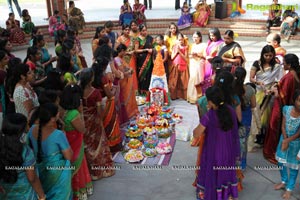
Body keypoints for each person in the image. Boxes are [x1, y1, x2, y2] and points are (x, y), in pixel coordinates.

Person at [193, 85, 240, 200]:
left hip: (214, 153)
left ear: (210, 101)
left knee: (212, 176)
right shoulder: (231, 111)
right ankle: (225, 196)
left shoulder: (209, 116)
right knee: (224, 176)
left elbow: (196, 134)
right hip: (228, 152)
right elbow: (235, 133)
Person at [27, 103, 72, 199]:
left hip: (39, 168)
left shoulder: (31, 130)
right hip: (57, 172)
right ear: (52, 118)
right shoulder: (58, 134)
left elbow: (29, 147)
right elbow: (69, 156)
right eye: (57, 113)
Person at [79, 68, 116, 180]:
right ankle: (102, 170)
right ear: (91, 79)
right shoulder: (95, 93)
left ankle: (92, 171)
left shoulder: (78, 91)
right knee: (98, 144)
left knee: (88, 144)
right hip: (94, 121)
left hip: (82, 120)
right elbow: (99, 111)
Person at [264, 54, 300, 164]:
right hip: (289, 107)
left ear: (289, 65)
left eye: (284, 63)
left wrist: (274, 91)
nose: (282, 64)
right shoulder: (294, 75)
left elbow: (282, 95)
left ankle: (271, 152)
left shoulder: (289, 77)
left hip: (279, 107)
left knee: (274, 128)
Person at [0, 113, 46, 200]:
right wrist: (42, 195)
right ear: (21, 130)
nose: (29, 125)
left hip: (4, 192)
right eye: (27, 124)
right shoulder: (26, 151)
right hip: (24, 194)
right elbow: (32, 178)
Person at [60, 84, 93, 199]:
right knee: (79, 168)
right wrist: (81, 113)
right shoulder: (74, 113)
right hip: (76, 146)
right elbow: (82, 130)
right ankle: (79, 192)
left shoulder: (62, 110)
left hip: (68, 143)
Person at [249, 45, 283, 147]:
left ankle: (264, 137)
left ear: (273, 55)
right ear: (262, 54)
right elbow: (251, 78)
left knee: (267, 117)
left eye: (270, 55)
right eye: (266, 55)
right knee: (257, 114)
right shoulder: (257, 63)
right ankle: (257, 136)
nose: (268, 57)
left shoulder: (277, 66)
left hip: (270, 93)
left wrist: (273, 87)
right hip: (259, 92)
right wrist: (259, 83)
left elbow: (280, 79)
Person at [92, 56, 122, 152]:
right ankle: (113, 145)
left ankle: (106, 144)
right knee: (111, 123)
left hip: (97, 103)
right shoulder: (103, 78)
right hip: (106, 102)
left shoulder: (92, 76)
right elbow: (109, 94)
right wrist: (113, 88)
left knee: (104, 124)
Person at [274, 89, 300, 200]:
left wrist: (288, 141)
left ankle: (289, 189)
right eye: (299, 100)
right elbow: (283, 126)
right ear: (294, 100)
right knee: (281, 162)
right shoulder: (286, 109)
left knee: (294, 167)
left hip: (295, 144)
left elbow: (299, 133)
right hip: (283, 139)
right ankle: (284, 181)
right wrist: (284, 139)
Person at [234, 67, 256, 170]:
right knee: (243, 141)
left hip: (233, 116)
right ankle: (242, 164)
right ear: (244, 77)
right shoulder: (250, 90)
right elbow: (253, 105)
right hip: (245, 116)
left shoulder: (230, 89)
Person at [114, 44, 138, 123]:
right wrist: (130, 71)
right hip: (123, 81)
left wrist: (129, 69)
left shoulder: (121, 59)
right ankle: (128, 113)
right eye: (125, 51)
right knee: (125, 97)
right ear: (121, 51)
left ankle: (131, 112)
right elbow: (122, 71)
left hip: (127, 80)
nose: (125, 53)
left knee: (130, 96)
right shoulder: (117, 60)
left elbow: (126, 68)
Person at [201, 28, 224, 94]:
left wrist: (212, 58)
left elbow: (219, 55)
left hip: (215, 64)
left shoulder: (221, 43)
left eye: (213, 36)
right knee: (206, 78)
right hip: (207, 64)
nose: (212, 37)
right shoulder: (209, 42)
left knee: (213, 79)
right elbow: (205, 51)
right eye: (210, 36)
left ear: (217, 35)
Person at [116, 24, 138, 91]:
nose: (127, 31)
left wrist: (133, 51)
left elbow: (136, 49)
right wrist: (127, 52)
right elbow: (117, 50)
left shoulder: (133, 38)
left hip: (131, 58)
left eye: (129, 30)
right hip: (122, 59)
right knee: (124, 73)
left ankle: (133, 90)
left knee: (132, 73)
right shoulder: (119, 39)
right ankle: (125, 90)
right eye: (126, 29)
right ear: (123, 30)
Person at [169, 32, 189, 100]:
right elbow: (172, 57)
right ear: (177, 40)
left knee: (184, 82)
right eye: (179, 40)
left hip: (183, 65)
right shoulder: (174, 46)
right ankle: (174, 96)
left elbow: (186, 59)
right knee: (174, 81)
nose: (180, 41)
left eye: (182, 39)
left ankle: (183, 96)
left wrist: (180, 52)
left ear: (183, 39)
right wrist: (176, 52)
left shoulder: (185, 47)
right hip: (175, 65)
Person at [187, 31, 206, 103]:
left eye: (196, 37)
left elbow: (204, 56)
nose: (195, 39)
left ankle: (197, 97)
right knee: (192, 78)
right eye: (194, 37)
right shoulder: (191, 45)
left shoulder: (204, 45)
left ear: (200, 37)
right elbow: (188, 55)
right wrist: (191, 55)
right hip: (192, 63)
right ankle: (190, 97)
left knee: (197, 79)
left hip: (199, 63)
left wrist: (197, 55)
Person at [135, 24, 153, 94]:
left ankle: (147, 91)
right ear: (140, 31)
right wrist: (146, 50)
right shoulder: (137, 39)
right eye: (143, 31)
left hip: (149, 59)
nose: (145, 32)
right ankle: (142, 91)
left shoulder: (150, 38)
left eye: (145, 30)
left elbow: (154, 47)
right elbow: (136, 50)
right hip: (141, 59)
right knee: (142, 75)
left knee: (148, 74)